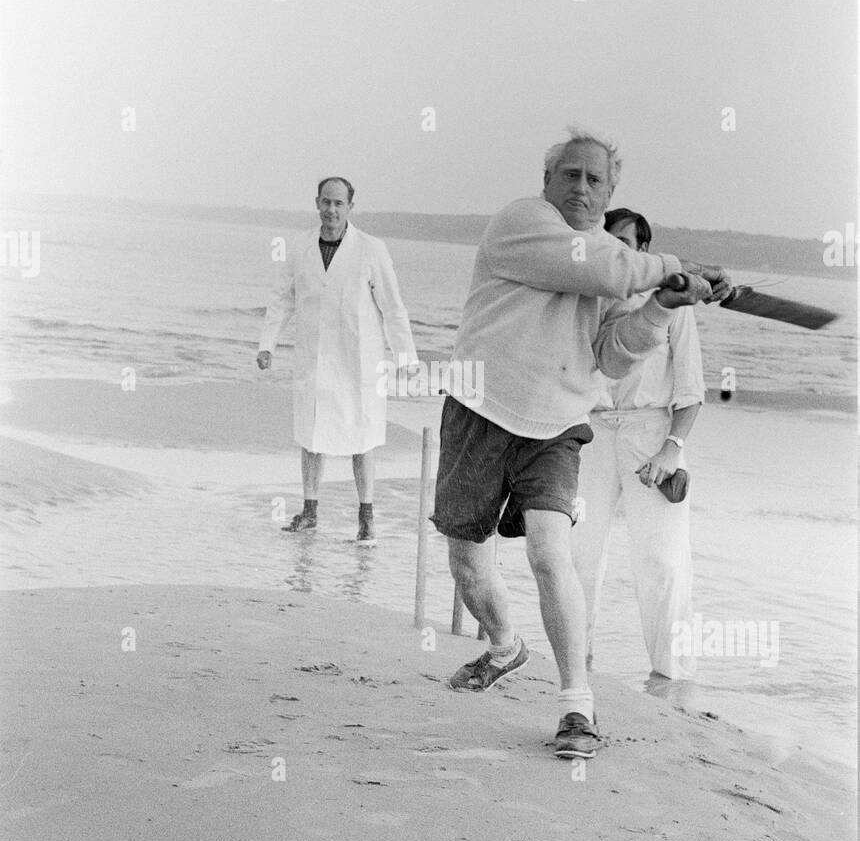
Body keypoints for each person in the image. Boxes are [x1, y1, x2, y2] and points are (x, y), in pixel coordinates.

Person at [430, 124, 731, 758]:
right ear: (547, 181)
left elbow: (614, 356)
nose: (583, 187)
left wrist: (662, 308)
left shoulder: (614, 266)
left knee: (549, 553)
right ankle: (506, 644)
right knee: (468, 566)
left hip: (557, 426)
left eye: (596, 180)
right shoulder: (523, 223)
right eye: (571, 174)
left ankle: (576, 708)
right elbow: (591, 265)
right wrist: (673, 271)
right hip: (480, 407)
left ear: (610, 191)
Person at [571, 207, 704, 680]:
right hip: (592, 431)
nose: (620, 251)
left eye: (629, 243)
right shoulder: (587, 297)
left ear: (645, 251)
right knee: (578, 556)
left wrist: (671, 449)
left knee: (663, 563)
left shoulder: (671, 302)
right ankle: (576, 664)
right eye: (612, 242)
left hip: (652, 433)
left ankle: (672, 676)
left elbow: (691, 391)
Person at [257, 176, 417, 544]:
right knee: (311, 435)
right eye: (325, 202)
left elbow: (393, 308)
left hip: (359, 359)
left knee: (362, 438)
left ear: (350, 207)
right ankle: (310, 512)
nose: (331, 210)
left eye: (338, 204)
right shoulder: (300, 247)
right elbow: (283, 298)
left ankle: (367, 518)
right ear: (316, 203)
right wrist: (267, 344)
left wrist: (406, 357)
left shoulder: (371, 249)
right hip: (314, 357)